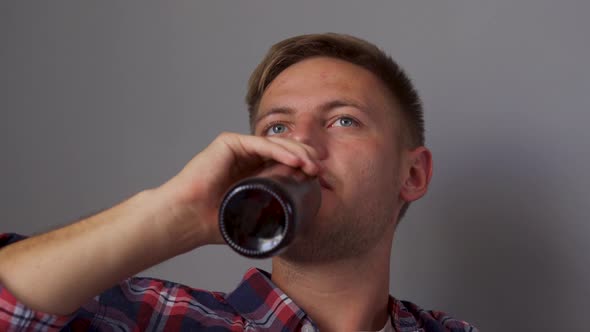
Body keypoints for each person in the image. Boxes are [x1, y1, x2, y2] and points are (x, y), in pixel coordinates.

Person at [0, 33, 478, 331]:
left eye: (343, 121)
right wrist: (173, 215)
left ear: (412, 174)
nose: (302, 146)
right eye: (277, 128)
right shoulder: (153, 318)